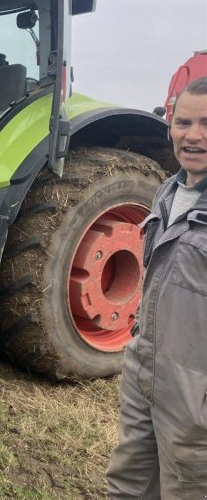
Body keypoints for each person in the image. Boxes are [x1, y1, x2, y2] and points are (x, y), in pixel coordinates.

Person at [107, 76, 207, 498]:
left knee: (187, 487)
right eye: (183, 122)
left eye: (206, 123)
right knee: (129, 483)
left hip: (194, 389)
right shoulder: (168, 192)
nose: (194, 135)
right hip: (145, 369)